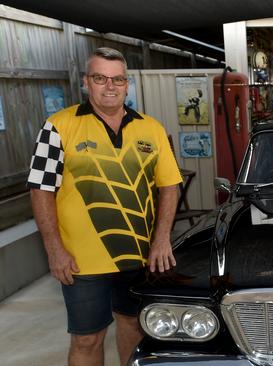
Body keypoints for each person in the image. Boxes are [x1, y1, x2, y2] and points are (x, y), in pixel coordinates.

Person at [27, 47, 182, 366]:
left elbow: (169, 185)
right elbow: (41, 190)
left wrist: (162, 238)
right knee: (86, 338)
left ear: (127, 84)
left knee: (134, 327)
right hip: (81, 261)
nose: (110, 86)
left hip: (139, 255)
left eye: (118, 79)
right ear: (86, 82)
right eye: (100, 78)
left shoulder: (151, 128)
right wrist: (54, 248)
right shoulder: (58, 127)